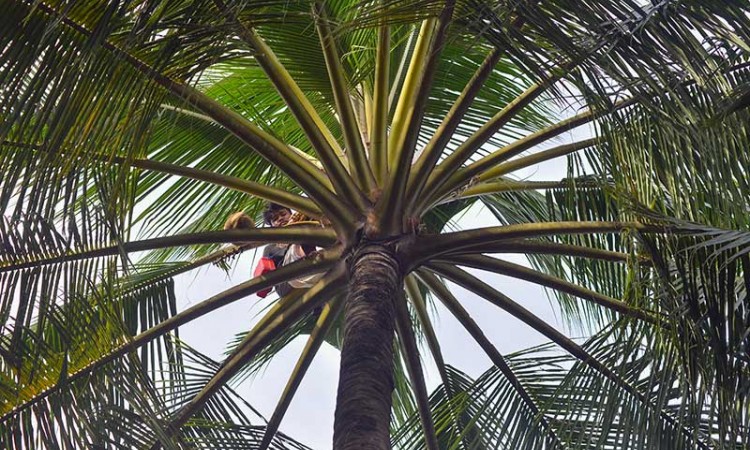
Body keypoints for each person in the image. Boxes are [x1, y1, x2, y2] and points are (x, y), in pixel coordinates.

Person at [254, 203, 318, 298]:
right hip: (288, 280)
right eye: (275, 219)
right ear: (272, 226)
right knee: (301, 239)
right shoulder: (270, 248)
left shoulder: (306, 223)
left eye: (283, 214)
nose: (280, 218)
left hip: (314, 269)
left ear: (291, 214)